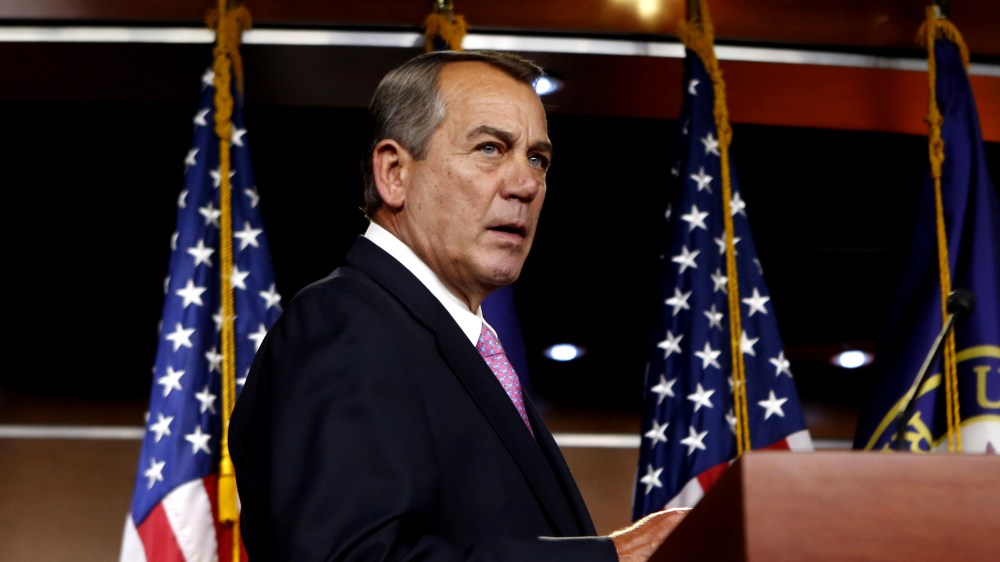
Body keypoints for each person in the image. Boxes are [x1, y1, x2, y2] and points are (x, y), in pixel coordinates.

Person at [228, 49, 689, 561]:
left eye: (538, 158)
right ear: (395, 173)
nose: (526, 184)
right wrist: (613, 558)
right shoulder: (345, 323)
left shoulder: (454, 343)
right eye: (491, 148)